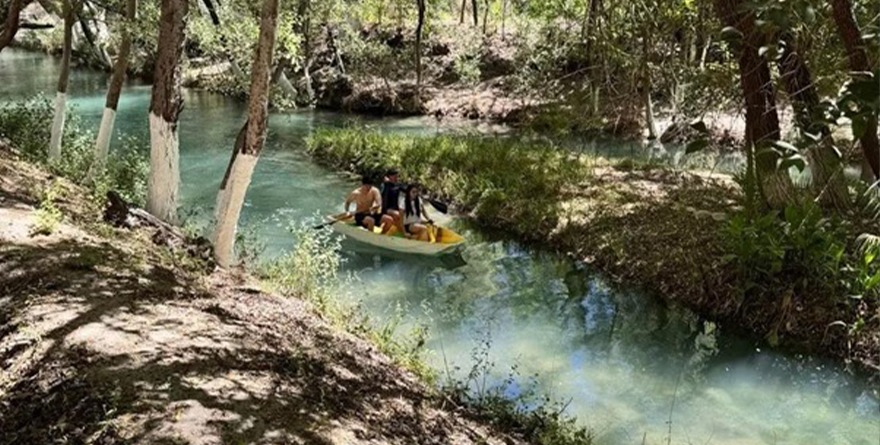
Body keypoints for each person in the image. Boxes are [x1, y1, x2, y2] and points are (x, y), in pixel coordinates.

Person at [379, 168, 403, 234]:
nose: (396, 178)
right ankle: (382, 234)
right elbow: (380, 194)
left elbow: (407, 190)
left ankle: (400, 231)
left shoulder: (398, 185)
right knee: (398, 215)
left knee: (402, 214)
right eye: (394, 176)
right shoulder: (385, 185)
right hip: (386, 209)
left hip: (395, 208)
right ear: (389, 176)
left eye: (397, 176)